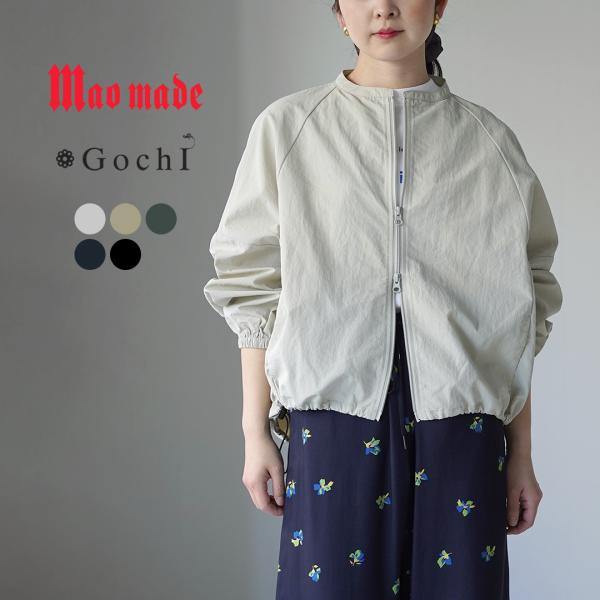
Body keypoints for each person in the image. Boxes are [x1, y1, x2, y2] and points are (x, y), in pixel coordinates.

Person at [203, 1, 563, 598]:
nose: (384, 8)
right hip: (332, 419)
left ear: (439, 6)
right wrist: (254, 431)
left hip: (462, 424)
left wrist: (521, 453)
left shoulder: (489, 142)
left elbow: (520, 308)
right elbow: (252, 287)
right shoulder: (288, 129)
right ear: (339, 13)